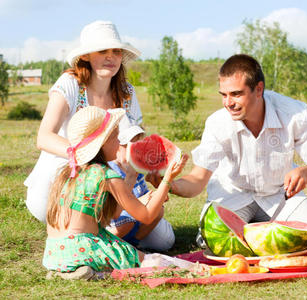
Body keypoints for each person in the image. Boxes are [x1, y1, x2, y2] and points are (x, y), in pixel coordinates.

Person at [167, 54, 307, 248]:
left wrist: (304, 172)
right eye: (224, 95)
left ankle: (251, 236)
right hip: (232, 195)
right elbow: (197, 179)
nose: (228, 102)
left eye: (236, 94)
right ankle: (261, 236)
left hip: (278, 194)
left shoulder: (297, 114)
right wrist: (170, 185)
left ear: (258, 89)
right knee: (211, 242)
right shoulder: (217, 123)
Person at [42, 106, 188, 279]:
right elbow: (147, 216)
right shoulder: (106, 175)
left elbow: (115, 212)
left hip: (54, 251)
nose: (119, 143)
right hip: (84, 247)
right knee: (150, 261)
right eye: (115, 138)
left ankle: (69, 270)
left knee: (122, 249)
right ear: (102, 143)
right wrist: (167, 179)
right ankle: (94, 272)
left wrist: (130, 177)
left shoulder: (69, 171)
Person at [24, 20, 143, 223]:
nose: (110, 57)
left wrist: (140, 159)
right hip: (62, 172)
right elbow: (44, 137)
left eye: (116, 51)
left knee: (162, 239)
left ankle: (113, 222)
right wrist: (90, 156)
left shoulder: (127, 91)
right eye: (102, 50)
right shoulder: (70, 84)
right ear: (86, 56)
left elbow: (138, 138)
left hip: (110, 176)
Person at [106, 118, 175, 251]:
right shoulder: (110, 171)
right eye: (130, 146)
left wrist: (157, 196)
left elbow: (145, 196)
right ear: (115, 145)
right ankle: (111, 247)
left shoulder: (135, 169)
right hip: (115, 222)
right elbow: (112, 210)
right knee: (126, 223)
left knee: (159, 211)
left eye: (139, 145)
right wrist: (139, 201)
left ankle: (134, 244)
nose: (136, 150)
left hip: (137, 218)